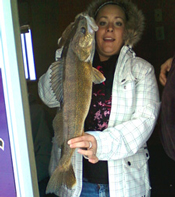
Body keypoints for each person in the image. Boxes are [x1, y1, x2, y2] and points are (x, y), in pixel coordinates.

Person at [38, 0, 160, 196]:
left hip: (124, 184)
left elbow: (144, 122)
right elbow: (47, 97)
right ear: (94, 30)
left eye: (118, 23)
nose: (110, 28)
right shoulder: (73, 62)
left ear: (126, 31)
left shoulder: (141, 70)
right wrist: (66, 52)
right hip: (77, 184)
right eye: (102, 22)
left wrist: (99, 144)